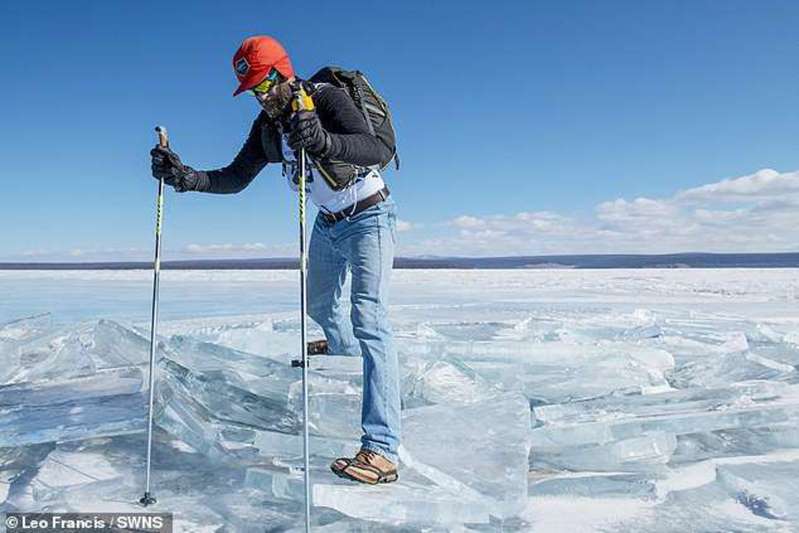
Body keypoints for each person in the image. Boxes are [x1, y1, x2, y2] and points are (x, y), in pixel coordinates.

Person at [150, 35, 400, 485]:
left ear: (283, 72)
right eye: (253, 92)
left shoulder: (327, 100)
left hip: (369, 215)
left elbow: (376, 149)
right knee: (319, 307)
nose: (261, 98)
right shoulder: (269, 129)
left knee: (370, 319)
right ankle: (343, 356)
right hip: (328, 222)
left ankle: (380, 449)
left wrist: (323, 141)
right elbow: (233, 178)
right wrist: (183, 177)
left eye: (265, 86)